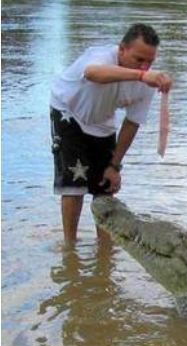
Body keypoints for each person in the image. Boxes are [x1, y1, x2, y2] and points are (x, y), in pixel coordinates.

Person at [50, 23, 172, 245]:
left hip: (102, 120)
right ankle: (70, 247)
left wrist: (115, 166)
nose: (145, 66)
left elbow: (132, 122)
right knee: (74, 185)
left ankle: (105, 248)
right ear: (121, 49)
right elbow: (93, 73)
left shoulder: (146, 82)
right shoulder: (102, 56)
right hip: (68, 111)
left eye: (150, 62)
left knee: (105, 186)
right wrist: (141, 76)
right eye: (139, 59)